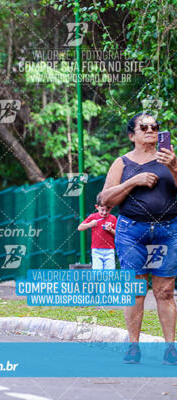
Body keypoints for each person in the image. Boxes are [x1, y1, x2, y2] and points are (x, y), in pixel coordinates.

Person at [99, 112, 177, 365]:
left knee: (165, 291)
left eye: (155, 127)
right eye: (144, 127)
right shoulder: (122, 163)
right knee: (135, 290)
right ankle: (133, 346)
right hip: (132, 231)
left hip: (166, 230)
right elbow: (105, 200)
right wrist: (133, 181)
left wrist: (174, 167)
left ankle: (171, 348)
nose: (151, 130)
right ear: (132, 135)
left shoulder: (170, 159)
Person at [77, 194, 117, 270]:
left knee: (110, 274)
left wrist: (110, 230)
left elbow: (118, 235)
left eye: (107, 209)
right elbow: (80, 228)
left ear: (111, 208)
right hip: (96, 250)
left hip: (110, 250)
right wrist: (90, 224)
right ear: (97, 207)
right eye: (102, 210)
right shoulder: (93, 217)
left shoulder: (113, 218)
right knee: (98, 273)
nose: (104, 213)